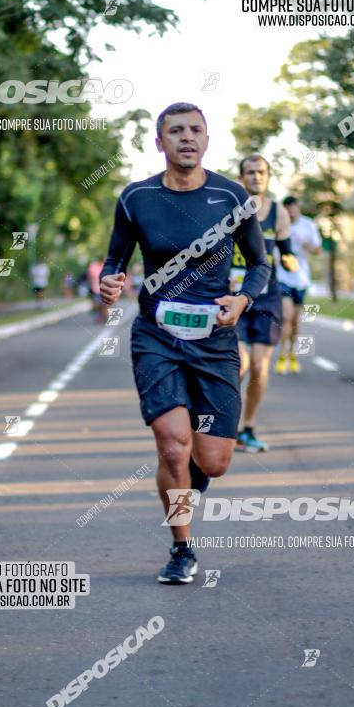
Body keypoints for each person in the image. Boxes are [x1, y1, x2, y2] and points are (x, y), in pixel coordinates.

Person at [99, 102, 269, 585]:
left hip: (214, 339)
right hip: (157, 335)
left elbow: (259, 264)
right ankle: (181, 548)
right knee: (173, 446)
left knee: (212, 460)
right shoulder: (136, 198)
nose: (186, 138)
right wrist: (110, 282)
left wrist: (243, 300)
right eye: (175, 131)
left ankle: (190, 480)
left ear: (207, 141)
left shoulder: (232, 196)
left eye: (195, 130)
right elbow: (115, 259)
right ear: (160, 144)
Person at [232, 155, 297, 452]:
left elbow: (285, 250)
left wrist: (289, 259)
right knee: (240, 364)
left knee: (259, 367)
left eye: (261, 172)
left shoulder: (279, 213)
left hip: (267, 296)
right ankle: (225, 426)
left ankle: (248, 428)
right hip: (233, 296)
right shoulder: (229, 208)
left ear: (269, 176)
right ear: (241, 176)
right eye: (250, 172)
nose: (256, 177)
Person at [275, 196, 322, 374]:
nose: (291, 211)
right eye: (288, 208)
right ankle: (282, 355)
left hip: (301, 279)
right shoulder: (280, 224)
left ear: (297, 208)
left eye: (293, 208)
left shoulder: (308, 225)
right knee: (285, 317)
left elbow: (318, 250)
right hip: (283, 278)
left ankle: (292, 354)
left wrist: (307, 245)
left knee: (295, 321)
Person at [87, 258, 105, 323]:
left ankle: (103, 317)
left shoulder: (106, 266)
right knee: (97, 304)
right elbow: (89, 276)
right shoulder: (93, 266)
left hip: (105, 289)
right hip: (96, 289)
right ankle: (99, 316)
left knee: (104, 304)